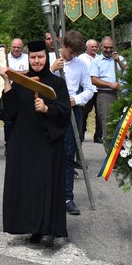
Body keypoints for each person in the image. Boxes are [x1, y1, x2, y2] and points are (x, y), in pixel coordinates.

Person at [0, 39, 71, 247]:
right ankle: (33, 227)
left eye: (40, 57)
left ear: (46, 58)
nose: (37, 61)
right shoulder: (21, 82)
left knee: (46, 185)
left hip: (47, 143)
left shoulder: (57, 83)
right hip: (23, 143)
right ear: (28, 58)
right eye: (33, 57)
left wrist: (47, 109)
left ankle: (48, 230)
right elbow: (9, 113)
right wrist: (7, 82)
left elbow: (65, 112)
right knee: (28, 186)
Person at [49, 30, 94, 216]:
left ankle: (67, 197)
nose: (73, 55)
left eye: (76, 53)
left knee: (68, 155)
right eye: (70, 52)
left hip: (71, 110)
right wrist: (51, 70)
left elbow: (90, 89)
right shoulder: (50, 59)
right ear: (63, 46)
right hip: (50, 109)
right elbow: (37, 82)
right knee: (49, 152)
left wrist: (77, 99)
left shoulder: (81, 64)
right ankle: (48, 194)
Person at [89, 36, 126, 145]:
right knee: (108, 126)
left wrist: (118, 61)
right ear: (101, 47)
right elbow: (93, 80)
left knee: (123, 124)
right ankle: (110, 153)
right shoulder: (96, 61)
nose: (108, 50)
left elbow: (128, 72)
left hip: (121, 94)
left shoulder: (120, 58)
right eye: (106, 47)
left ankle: (122, 152)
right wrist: (110, 85)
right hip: (105, 95)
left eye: (111, 47)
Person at [78, 39, 100, 143]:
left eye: (96, 46)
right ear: (87, 47)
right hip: (86, 89)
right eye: (92, 47)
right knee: (84, 113)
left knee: (99, 114)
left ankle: (98, 136)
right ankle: (81, 133)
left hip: (98, 89)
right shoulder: (81, 58)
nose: (94, 48)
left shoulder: (100, 58)